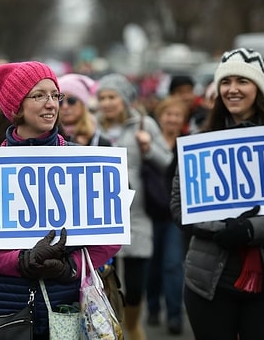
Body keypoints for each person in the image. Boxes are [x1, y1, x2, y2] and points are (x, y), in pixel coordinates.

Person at [0, 61, 120, 339]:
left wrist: (72, 268)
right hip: (5, 311)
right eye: (39, 95)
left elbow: (110, 237)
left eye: (55, 95)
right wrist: (21, 261)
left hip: (68, 308)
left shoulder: (82, 160)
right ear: (16, 107)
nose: (52, 104)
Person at [170, 48, 264, 340]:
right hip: (209, 281)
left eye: (242, 81)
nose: (232, 89)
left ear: (259, 88)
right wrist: (220, 228)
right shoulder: (198, 143)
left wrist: (248, 230)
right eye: (225, 81)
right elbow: (180, 206)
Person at [95, 73, 173, 340]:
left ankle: (133, 326)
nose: (106, 103)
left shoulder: (144, 124)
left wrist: (149, 148)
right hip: (104, 218)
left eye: (112, 97)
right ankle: (111, 330)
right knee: (105, 283)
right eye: (102, 97)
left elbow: (168, 161)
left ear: (125, 99)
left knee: (136, 285)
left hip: (137, 216)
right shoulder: (93, 127)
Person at [145, 96, 188, 335]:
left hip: (175, 214)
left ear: (183, 119)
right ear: (160, 117)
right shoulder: (148, 141)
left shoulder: (186, 143)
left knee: (172, 264)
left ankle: (174, 315)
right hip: (152, 211)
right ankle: (152, 307)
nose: (172, 119)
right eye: (168, 114)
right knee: (153, 265)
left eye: (177, 115)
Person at [57, 73, 111, 146]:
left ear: (83, 104)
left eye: (71, 100)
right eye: (60, 101)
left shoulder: (100, 140)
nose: (65, 106)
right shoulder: (47, 138)